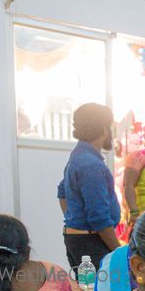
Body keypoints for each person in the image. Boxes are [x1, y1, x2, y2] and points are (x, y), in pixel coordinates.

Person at [58, 103, 120, 269]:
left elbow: (62, 192)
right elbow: (99, 217)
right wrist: (118, 252)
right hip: (91, 242)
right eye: (111, 126)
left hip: (80, 239)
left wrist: (74, 221)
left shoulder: (79, 155)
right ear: (104, 128)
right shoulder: (92, 165)